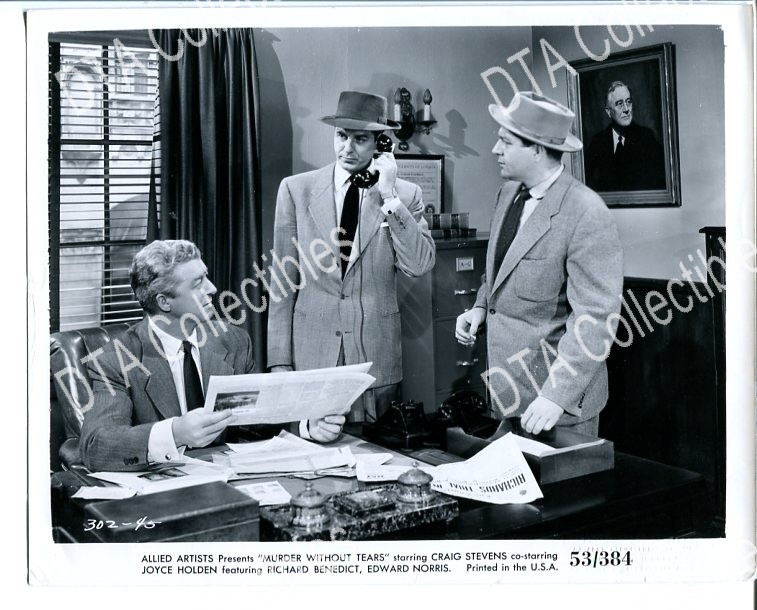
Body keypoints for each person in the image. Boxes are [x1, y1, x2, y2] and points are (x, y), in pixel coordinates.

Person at [79, 240, 345, 471]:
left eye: (206, 277)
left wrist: (307, 425)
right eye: (197, 284)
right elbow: (96, 445)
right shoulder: (115, 360)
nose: (213, 288)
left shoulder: (233, 340)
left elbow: (254, 417)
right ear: (164, 302)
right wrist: (175, 432)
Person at [455, 92, 623, 436]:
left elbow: (596, 319)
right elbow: (500, 270)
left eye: (506, 141)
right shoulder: (507, 194)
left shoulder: (586, 212)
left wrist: (556, 395)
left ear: (536, 149)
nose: (495, 150)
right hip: (508, 393)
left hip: (557, 406)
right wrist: (481, 307)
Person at [267, 90, 435, 422]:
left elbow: (418, 265)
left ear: (380, 144)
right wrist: (279, 360)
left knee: (377, 449)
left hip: (375, 360)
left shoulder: (404, 195)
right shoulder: (296, 190)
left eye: (360, 139)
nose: (347, 147)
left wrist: (389, 197)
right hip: (312, 357)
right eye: (342, 136)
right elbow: (282, 284)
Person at [585, 80, 666, 191]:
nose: (626, 109)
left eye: (628, 102)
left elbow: (660, 182)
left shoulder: (646, 138)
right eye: (619, 104)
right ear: (608, 112)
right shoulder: (598, 142)